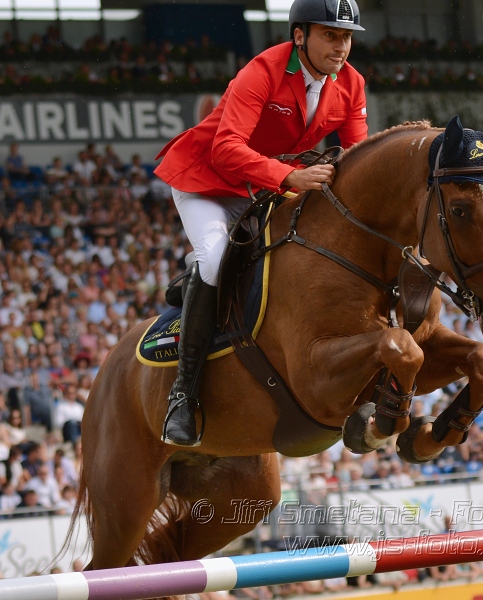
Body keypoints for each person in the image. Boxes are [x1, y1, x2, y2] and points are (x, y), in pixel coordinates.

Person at [153, 0, 368, 446]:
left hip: (264, 187)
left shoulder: (352, 85)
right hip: (206, 182)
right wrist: (290, 176)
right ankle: (183, 396)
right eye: (330, 34)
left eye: (346, 36)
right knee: (214, 265)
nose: (341, 46)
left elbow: (356, 160)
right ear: (299, 36)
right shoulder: (262, 71)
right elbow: (226, 148)